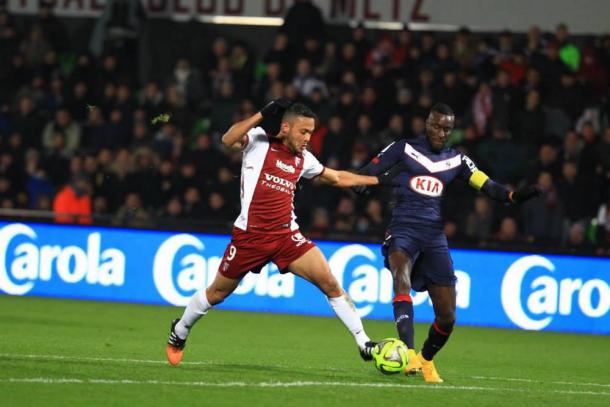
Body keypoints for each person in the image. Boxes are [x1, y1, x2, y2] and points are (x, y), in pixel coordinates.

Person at [165, 100, 400, 366]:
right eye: (303, 132)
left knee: (330, 282)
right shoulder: (258, 141)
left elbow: (335, 177)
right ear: (286, 127)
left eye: (311, 133)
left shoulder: (304, 160)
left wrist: (378, 180)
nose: (308, 138)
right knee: (216, 294)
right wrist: (262, 113)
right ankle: (180, 330)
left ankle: (363, 343)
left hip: (287, 237)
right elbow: (227, 138)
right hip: (250, 237)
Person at [356, 103, 540, 382]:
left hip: (433, 236)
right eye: (436, 126)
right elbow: (368, 171)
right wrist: (364, 183)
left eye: (447, 129)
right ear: (426, 123)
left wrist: (514, 196)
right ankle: (407, 352)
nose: (441, 132)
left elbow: (487, 185)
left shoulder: (457, 160)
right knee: (400, 277)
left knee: (447, 317)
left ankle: (425, 360)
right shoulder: (403, 148)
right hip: (403, 228)